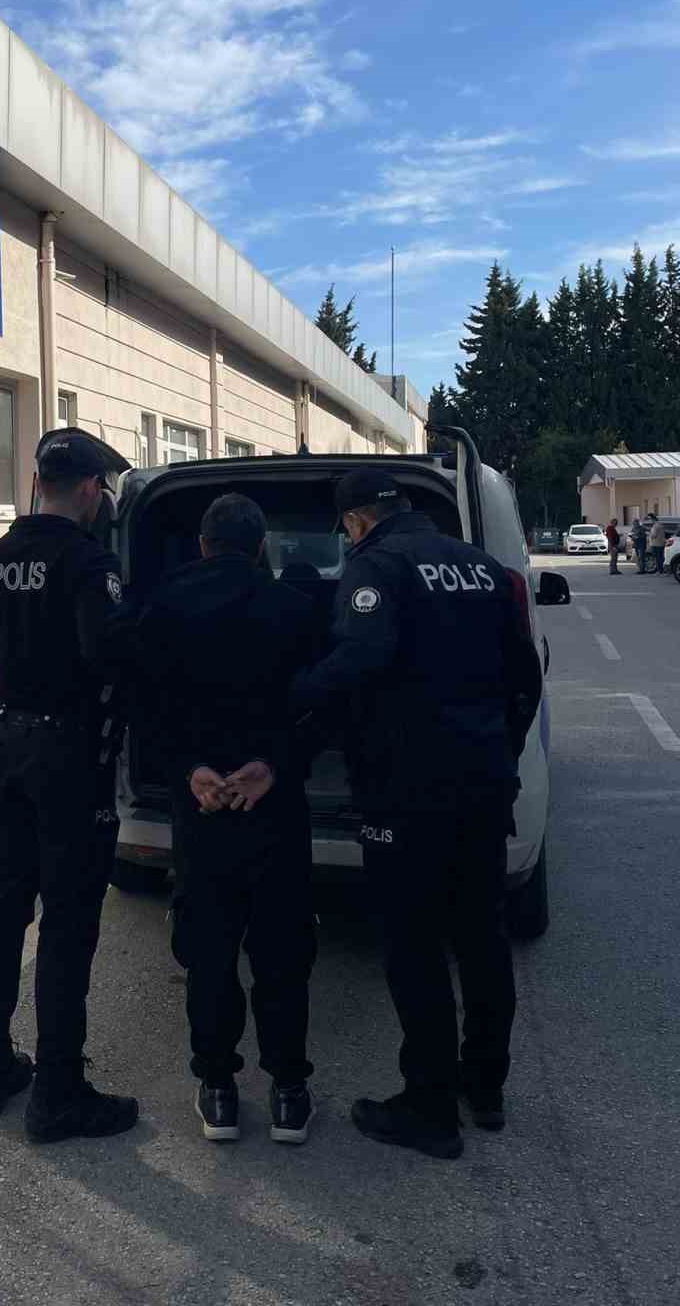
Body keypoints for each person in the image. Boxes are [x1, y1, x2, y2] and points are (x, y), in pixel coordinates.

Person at [290, 470, 543, 1160]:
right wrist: (500, 751)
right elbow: (525, 675)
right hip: (482, 784)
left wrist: (288, 698)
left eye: (346, 530)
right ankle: (484, 1087)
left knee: (413, 945)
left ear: (356, 522)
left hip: (406, 790)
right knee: (482, 938)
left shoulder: (377, 567)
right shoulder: (482, 568)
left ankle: (428, 1107)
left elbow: (361, 658)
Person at [0, 429, 138, 1144]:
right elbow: (104, 654)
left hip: (7, 746)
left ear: (37, 484)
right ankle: (58, 1092)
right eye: (102, 491)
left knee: (4, 906)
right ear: (89, 489)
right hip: (67, 756)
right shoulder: (90, 562)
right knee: (67, 919)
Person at [114, 494, 320, 1145]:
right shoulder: (294, 607)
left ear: (203, 545)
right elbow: (322, 703)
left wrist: (189, 770)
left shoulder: (165, 604)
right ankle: (289, 1092)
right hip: (273, 806)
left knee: (209, 950)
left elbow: (142, 703)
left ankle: (219, 1091)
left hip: (200, 807)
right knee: (281, 950)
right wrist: (274, 766)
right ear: (260, 548)